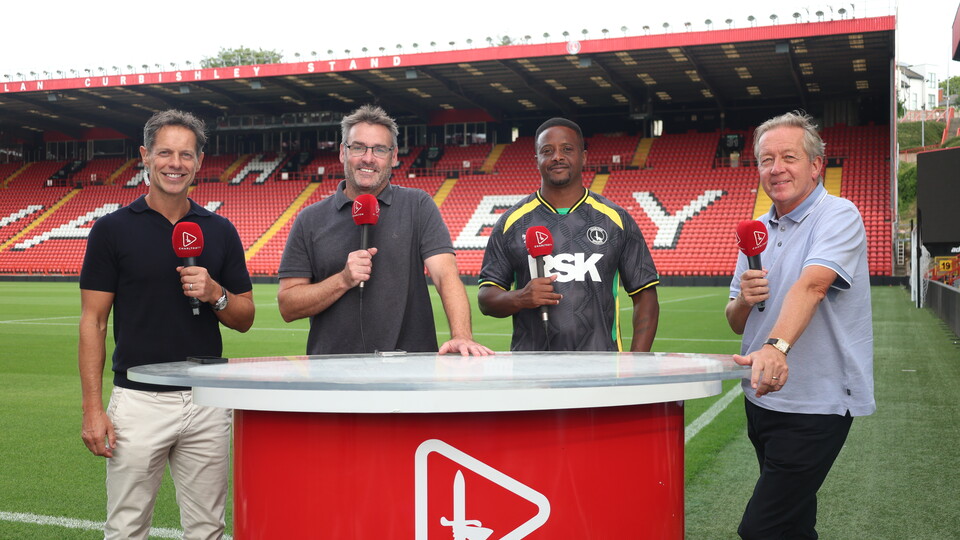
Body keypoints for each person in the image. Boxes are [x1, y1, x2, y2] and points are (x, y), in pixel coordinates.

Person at [79, 109, 255, 540]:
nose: (175, 163)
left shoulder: (221, 230)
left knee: (208, 528)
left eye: (185, 154)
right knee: (126, 527)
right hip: (139, 401)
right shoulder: (112, 230)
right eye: (165, 153)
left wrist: (215, 293)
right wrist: (92, 409)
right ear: (145, 156)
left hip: (207, 401)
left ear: (199, 161)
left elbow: (245, 317)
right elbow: (94, 321)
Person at [725, 111, 875, 539]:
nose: (776, 168)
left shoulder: (838, 215)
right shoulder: (756, 231)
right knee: (792, 525)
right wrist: (744, 299)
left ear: (815, 166)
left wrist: (776, 347)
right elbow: (734, 320)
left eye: (789, 157)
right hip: (763, 397)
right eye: (766, 160)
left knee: (761, 528)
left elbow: (813, 286)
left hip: (816, 402)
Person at [278, 104, 491, 356]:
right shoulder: (309, 219)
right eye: (358, 147)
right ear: (343, 153)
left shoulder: (418, 205)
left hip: (409, 369)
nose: (368, 158)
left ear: (394, 156)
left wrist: (462, 336)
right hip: (332, 370)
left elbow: (445, 276)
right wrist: (343, 280)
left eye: (379, 149)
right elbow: (288, 306)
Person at [477, 117, 659, 351]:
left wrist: (638, 361)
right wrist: (520, 297)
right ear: (537, 160)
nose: (557, 157)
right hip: (530, 366)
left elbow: (645, 297)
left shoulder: (616, 220)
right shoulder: (511, 222)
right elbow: (486, 298)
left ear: (583, 157)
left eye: (567, 149)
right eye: (547, 151)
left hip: (602, 364)